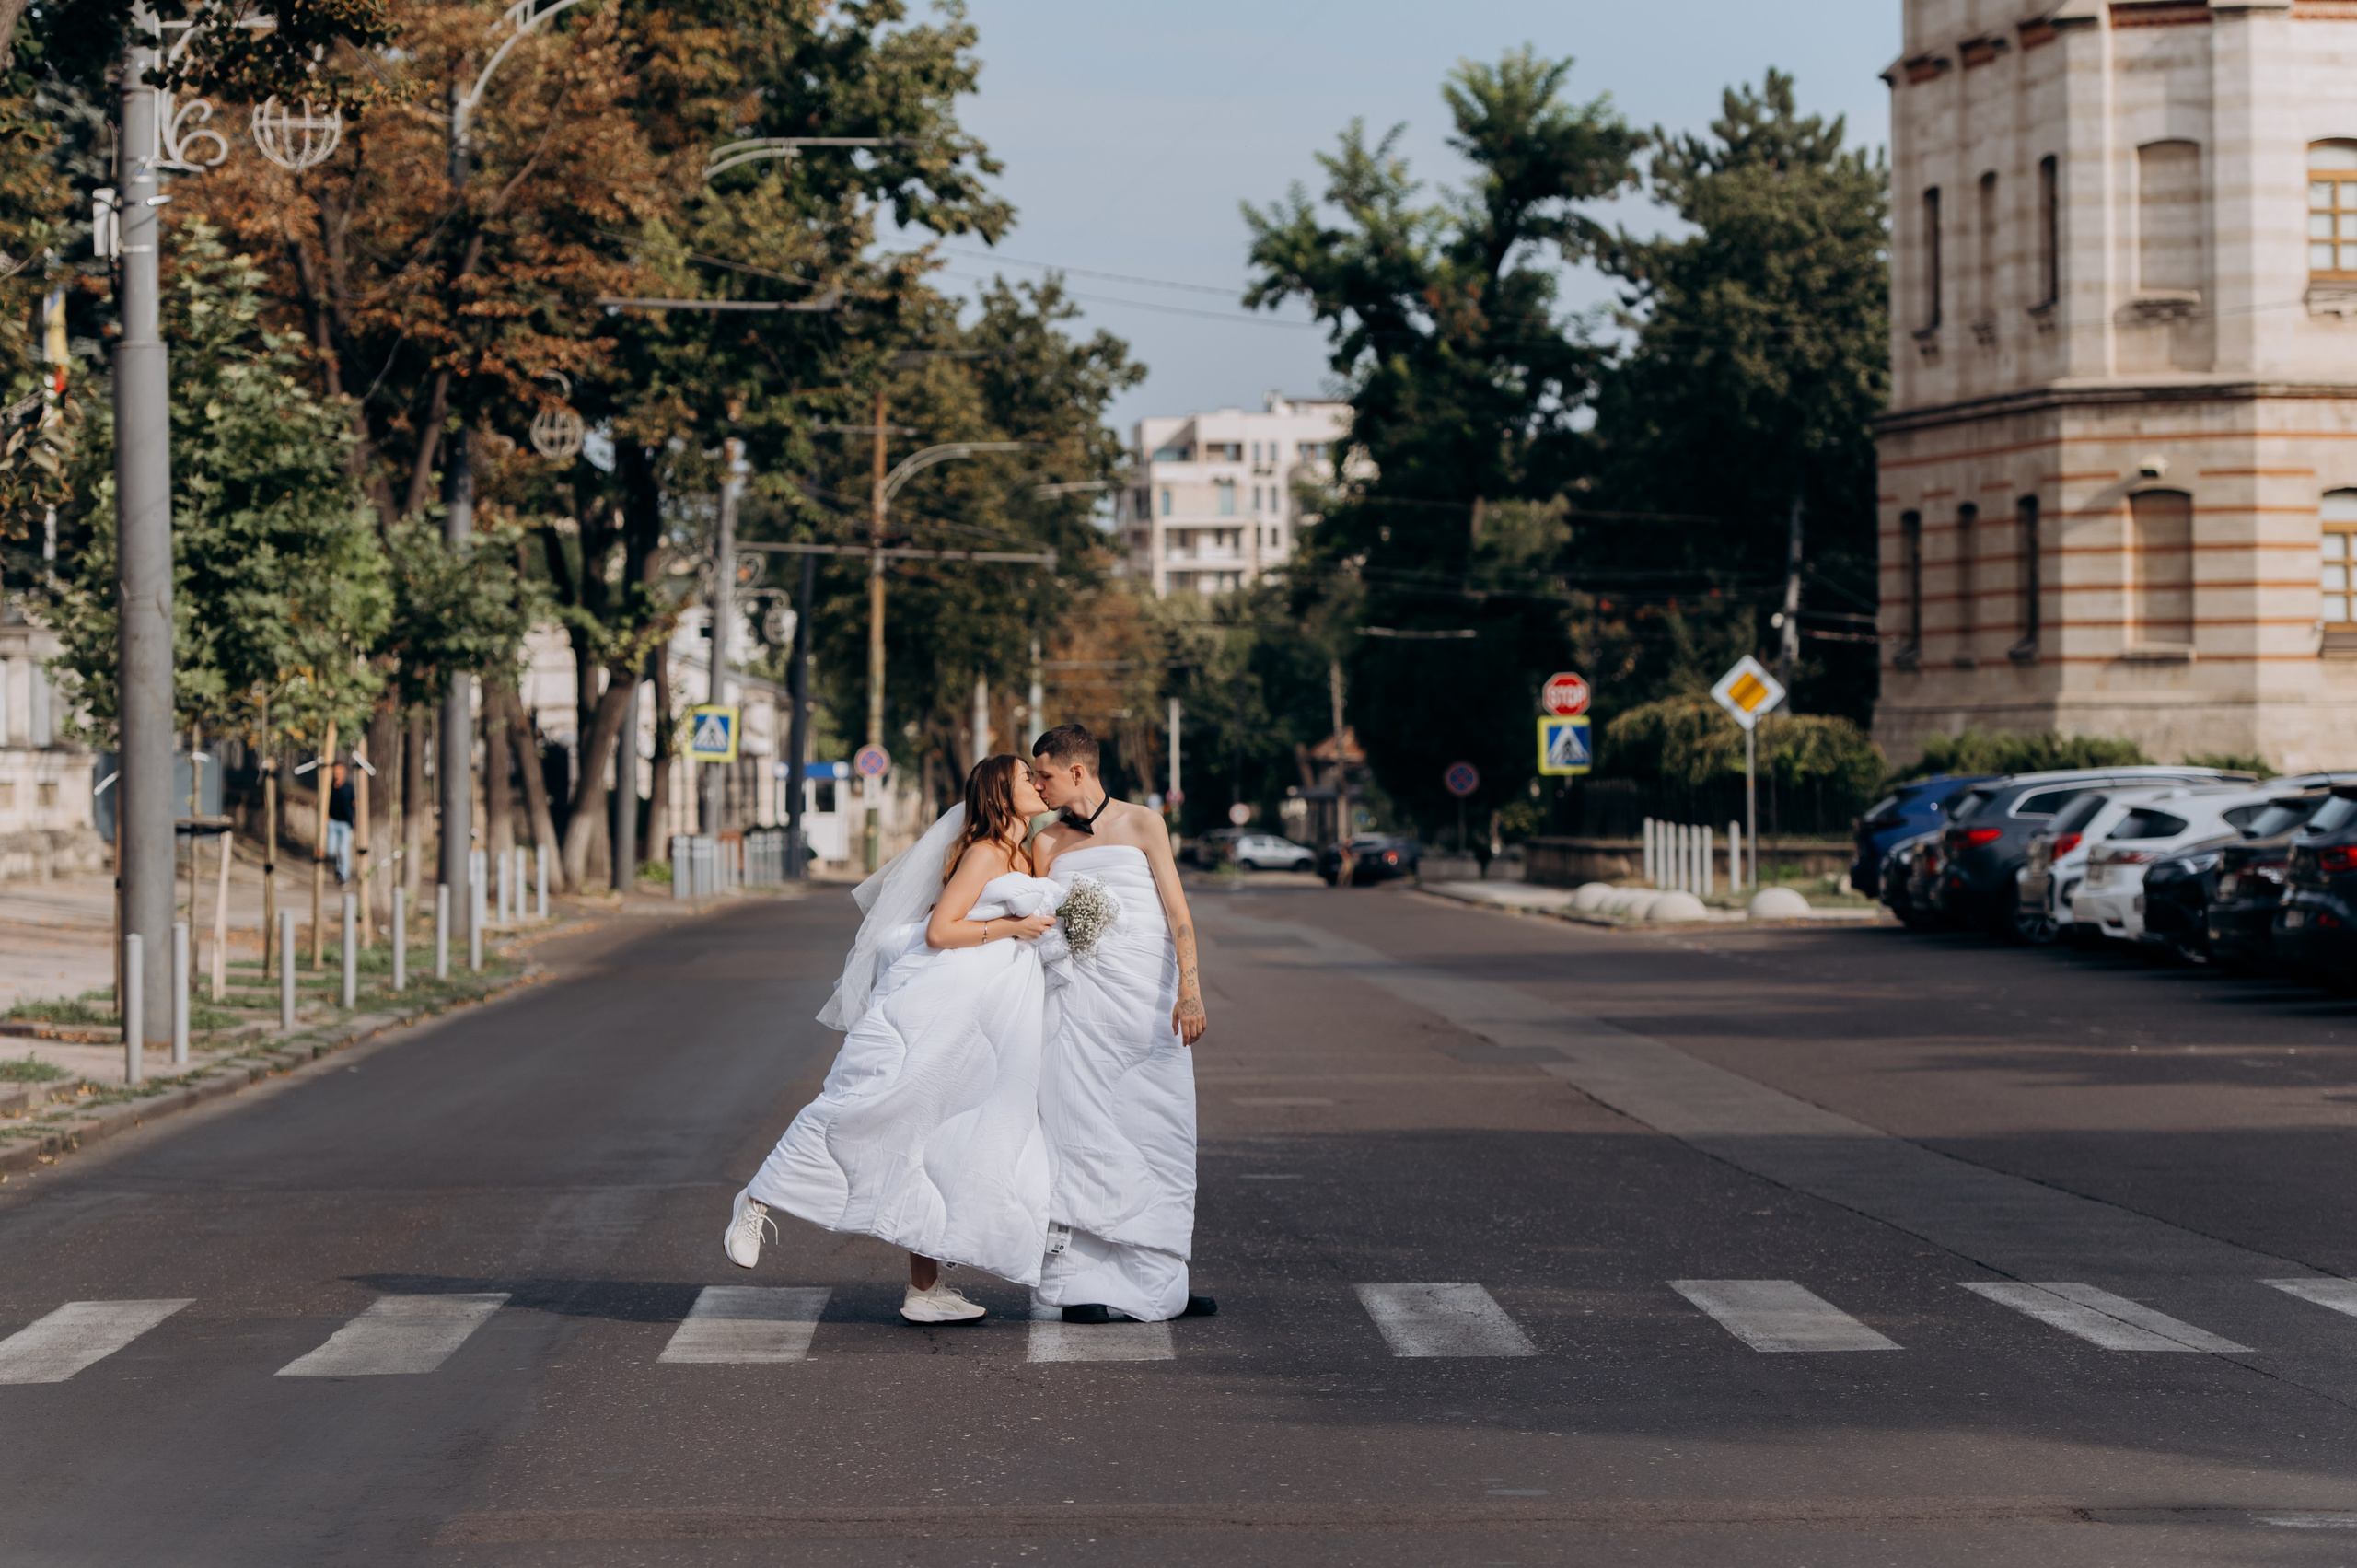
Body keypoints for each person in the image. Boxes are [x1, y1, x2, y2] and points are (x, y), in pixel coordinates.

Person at [724, 754, 1063, 1324]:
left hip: (984, 1018)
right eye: (1025, 776)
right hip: (939, 1003)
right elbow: (941, 930)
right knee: (865, 1106)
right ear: (1000, 793)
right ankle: (758, 1198)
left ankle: (924, 1292)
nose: (1035, 781)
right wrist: (1014, 926)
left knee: (930, 1144)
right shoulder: (984, 852)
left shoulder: (1024, 853)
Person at [1028, 723, 1215, 1324]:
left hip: (1148, 1012)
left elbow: (1177, 910)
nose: (1037, 784)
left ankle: (1161, 1278)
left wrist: (1190, 990)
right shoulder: (1044, 842)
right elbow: (1037, 925)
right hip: (1076, 1013)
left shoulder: (1143, 822)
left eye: (1044, 774)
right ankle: (1080, 1284)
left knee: (1160, 1133)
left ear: (1077, 771)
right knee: (1078, 1135)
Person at [325, 762, 354, 886]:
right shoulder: (329, 787)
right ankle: (338, 869)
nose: (337, 773)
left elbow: (354, 804)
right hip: (332, 823)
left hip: (345, 824)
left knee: (343, 850)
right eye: (335, 771)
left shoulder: (348, 787)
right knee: (331, 850)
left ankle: (344, 876)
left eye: (339, 771)